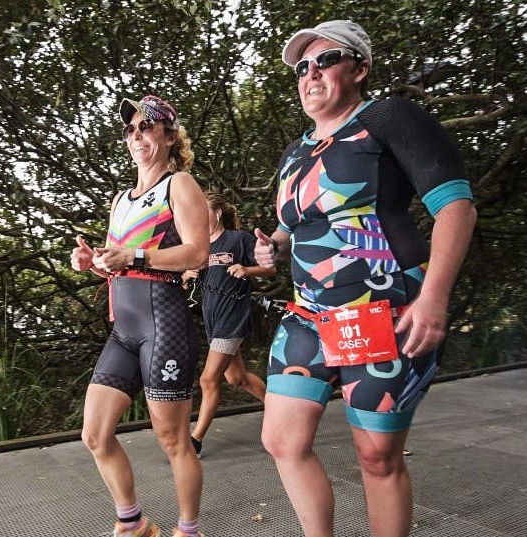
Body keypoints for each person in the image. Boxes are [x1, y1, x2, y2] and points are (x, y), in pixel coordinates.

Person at [253, 20, 477, 537]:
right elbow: (292, 229)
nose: (311, 74)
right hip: (308, 315)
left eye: (325, 60)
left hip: (383, 311)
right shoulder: (294, 153)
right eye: (301, 67)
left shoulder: (387, 117)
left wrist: (434, 299)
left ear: (359, 68)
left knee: (377, 455)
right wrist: (270, 249)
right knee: (282, 440)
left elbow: (456, 209)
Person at [71, 95, 209, 537]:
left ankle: (188, 531)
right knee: (94, 434)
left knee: (173, 441)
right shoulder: (121, 199)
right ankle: (133, 523)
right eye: (130, 130)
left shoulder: (180, 185)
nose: (137, 136)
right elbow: (121, 260)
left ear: (169, 136)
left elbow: (198, 253)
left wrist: (136, 253)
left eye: (146, 128)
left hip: (164, 324)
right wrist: (93, 261)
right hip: (125, 328)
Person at [183, 192, 275, 457]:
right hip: (213, 321)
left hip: (232, 319)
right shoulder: (199, 247)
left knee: (208, 379)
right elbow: (188, 279)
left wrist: (247, 270)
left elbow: (269, 269)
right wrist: (186, 276)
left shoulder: (238, 239)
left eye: (204, 212)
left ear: (218, 213)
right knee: (237, 378)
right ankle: (282, 412)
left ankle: (196, 440)